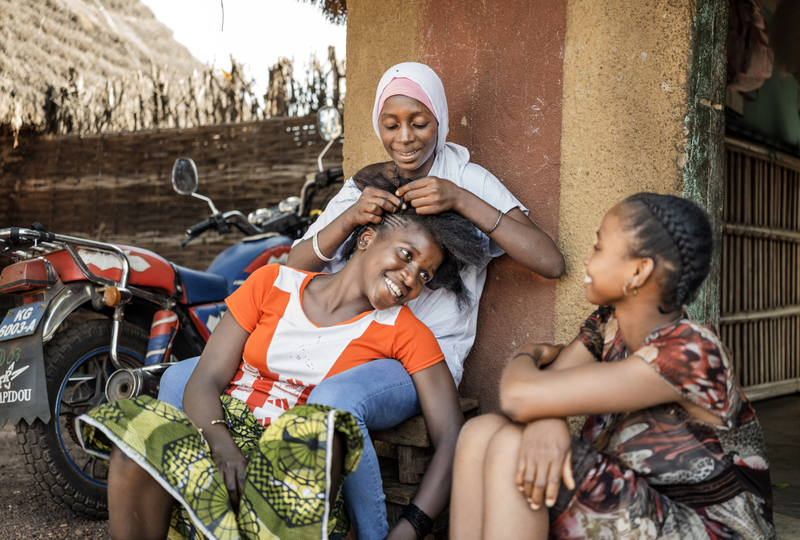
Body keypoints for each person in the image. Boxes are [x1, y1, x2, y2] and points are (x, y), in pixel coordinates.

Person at [158, 62, 565, 539]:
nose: (406, 137)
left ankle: (373, 533)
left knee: (336, 401)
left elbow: (551, 262)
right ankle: (201, 512)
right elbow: (295, 265)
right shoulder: (368, 183)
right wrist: (350, 217)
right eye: (391, 125)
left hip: (415, 356)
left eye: (420, 122)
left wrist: (460, 200)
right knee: (180, 378)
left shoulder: (468, 179)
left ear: (440, 120)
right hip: (343, 338)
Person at [76, 207, 484, 540]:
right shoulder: (271, 283)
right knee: (136, 437)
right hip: (224, 441)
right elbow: (204, 379)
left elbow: (451, 435)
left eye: (425, 276)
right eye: (407, 256)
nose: (411, 279)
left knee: (319, 428)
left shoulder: (407, 332)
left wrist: (411, 528)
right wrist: (223, 447)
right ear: (366, 238)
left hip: (293, 468)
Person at [451, 193, 775, 540]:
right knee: (481, 432)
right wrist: (550, 419)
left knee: (512, 449)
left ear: (638, 271)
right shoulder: (609, 325)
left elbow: (520, 395)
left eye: (599, 247)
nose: (587, 260)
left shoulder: (691, 351)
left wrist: (528, 353)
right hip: (640, 507)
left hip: (711, 530)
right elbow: (540, 394)